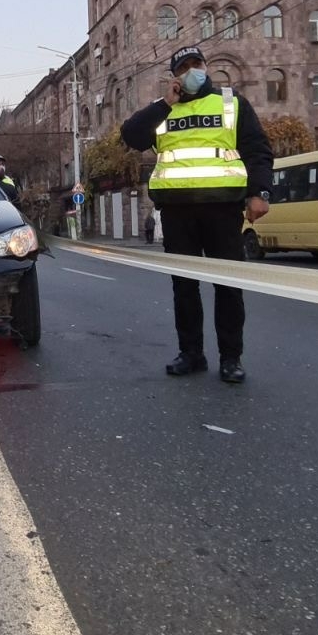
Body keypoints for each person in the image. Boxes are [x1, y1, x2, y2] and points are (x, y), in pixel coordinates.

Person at [121, 46, 273, 384]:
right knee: (184, 287)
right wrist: (165, 104)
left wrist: (259, 193)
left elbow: (257, 150)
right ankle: (191, 353)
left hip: (223, 207)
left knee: (228, 286)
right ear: (175, 75)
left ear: (206, 66)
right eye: (184, 67)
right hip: (177, 211)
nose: (192, 71)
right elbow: (130, 136)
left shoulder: (231, 103)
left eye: (196, 64)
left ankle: (231, 358)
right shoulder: (162, 109)